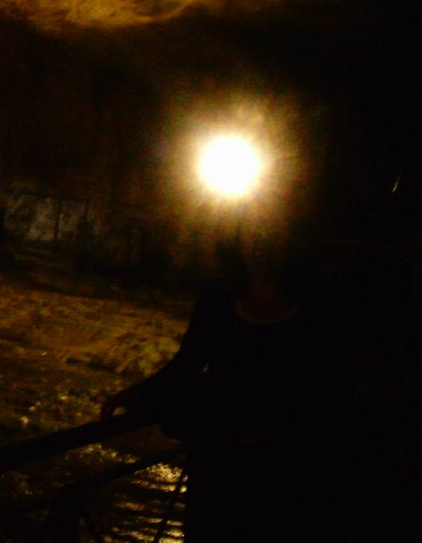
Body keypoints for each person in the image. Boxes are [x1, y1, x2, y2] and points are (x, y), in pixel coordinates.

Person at [100, 210, 351, 542]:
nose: (261, 243)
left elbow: (325, 388)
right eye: (253, 232)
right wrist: (137, 394)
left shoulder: (317, 309)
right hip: (219, 458)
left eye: (272, 234)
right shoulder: (220, 299)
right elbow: (187, 363)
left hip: (283, 466)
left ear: (292, 243)